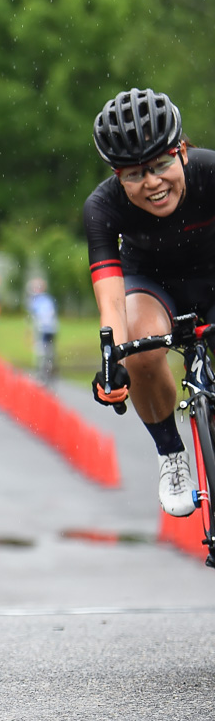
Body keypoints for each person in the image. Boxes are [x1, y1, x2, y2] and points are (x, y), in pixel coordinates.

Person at [86, 87, 215, 517]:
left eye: (161, 164)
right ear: (116, 176)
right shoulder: (102, 207)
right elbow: (112, 300)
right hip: (151, 282)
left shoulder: (210, 172)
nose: (153, 183)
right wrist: (114, 359)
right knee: (140, 348)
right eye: (134, 174)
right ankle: (171, 455)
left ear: (181, 151)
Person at [26, 277, 58, 382]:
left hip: (44, 328)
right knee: (48, 349)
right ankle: (48, 369)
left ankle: (43, 372)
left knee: (42, 350)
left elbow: (33, 316)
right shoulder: (47, 299)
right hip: (50, 328)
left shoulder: (37, 301)